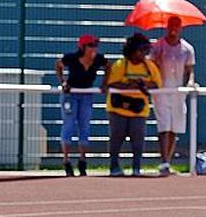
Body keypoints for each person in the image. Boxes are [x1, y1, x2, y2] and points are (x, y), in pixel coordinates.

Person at [105, 33, 162, 177]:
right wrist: (129, 85)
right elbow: (112, 83)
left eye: (146, 50)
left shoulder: (149, 66)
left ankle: (136, 167)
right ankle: (114, 165)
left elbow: (157, 84)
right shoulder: (120, 65)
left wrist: (144, 85)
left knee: (138, 139)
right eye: (141, 50)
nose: (144, 53)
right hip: (118, 108)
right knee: (116, 137)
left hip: (139, 109)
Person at [54, 34, 109, 176]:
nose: (93, 49)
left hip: (87, 95)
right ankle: (66, 161)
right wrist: (63, 82)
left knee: (85, 127)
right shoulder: (71, 58)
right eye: (91, 45)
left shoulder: (98, 59)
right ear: (82, 47)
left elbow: (109, 66)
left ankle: (82, 161)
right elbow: (59, 64)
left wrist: (104, 84)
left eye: (95, 45)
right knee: (69, 125)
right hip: (70, 95)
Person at [150, 16, 196, 176]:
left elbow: (190, 71)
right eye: (171, 25)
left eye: (177, 26)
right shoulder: (157, 46)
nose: (173, 29)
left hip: (178, 92)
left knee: (174, 128)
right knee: (164, 125)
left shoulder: (187, 49)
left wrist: (190, 83)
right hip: (162, 92)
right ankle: (163, 161)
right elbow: (151, 67)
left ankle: (167, 161)